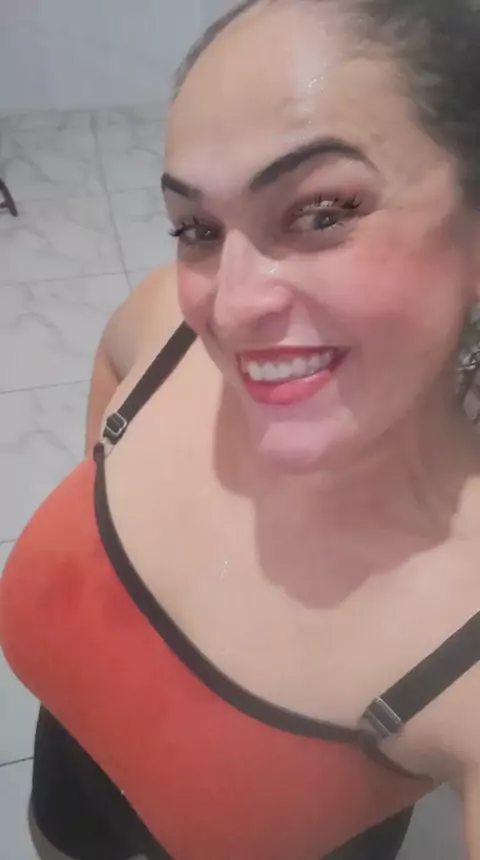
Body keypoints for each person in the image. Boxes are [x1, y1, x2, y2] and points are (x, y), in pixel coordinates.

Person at [2, 0, 480, 857]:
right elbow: (113, 359)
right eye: (197, 229)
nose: (229, 308)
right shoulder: (164, 331)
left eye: (322, 211)